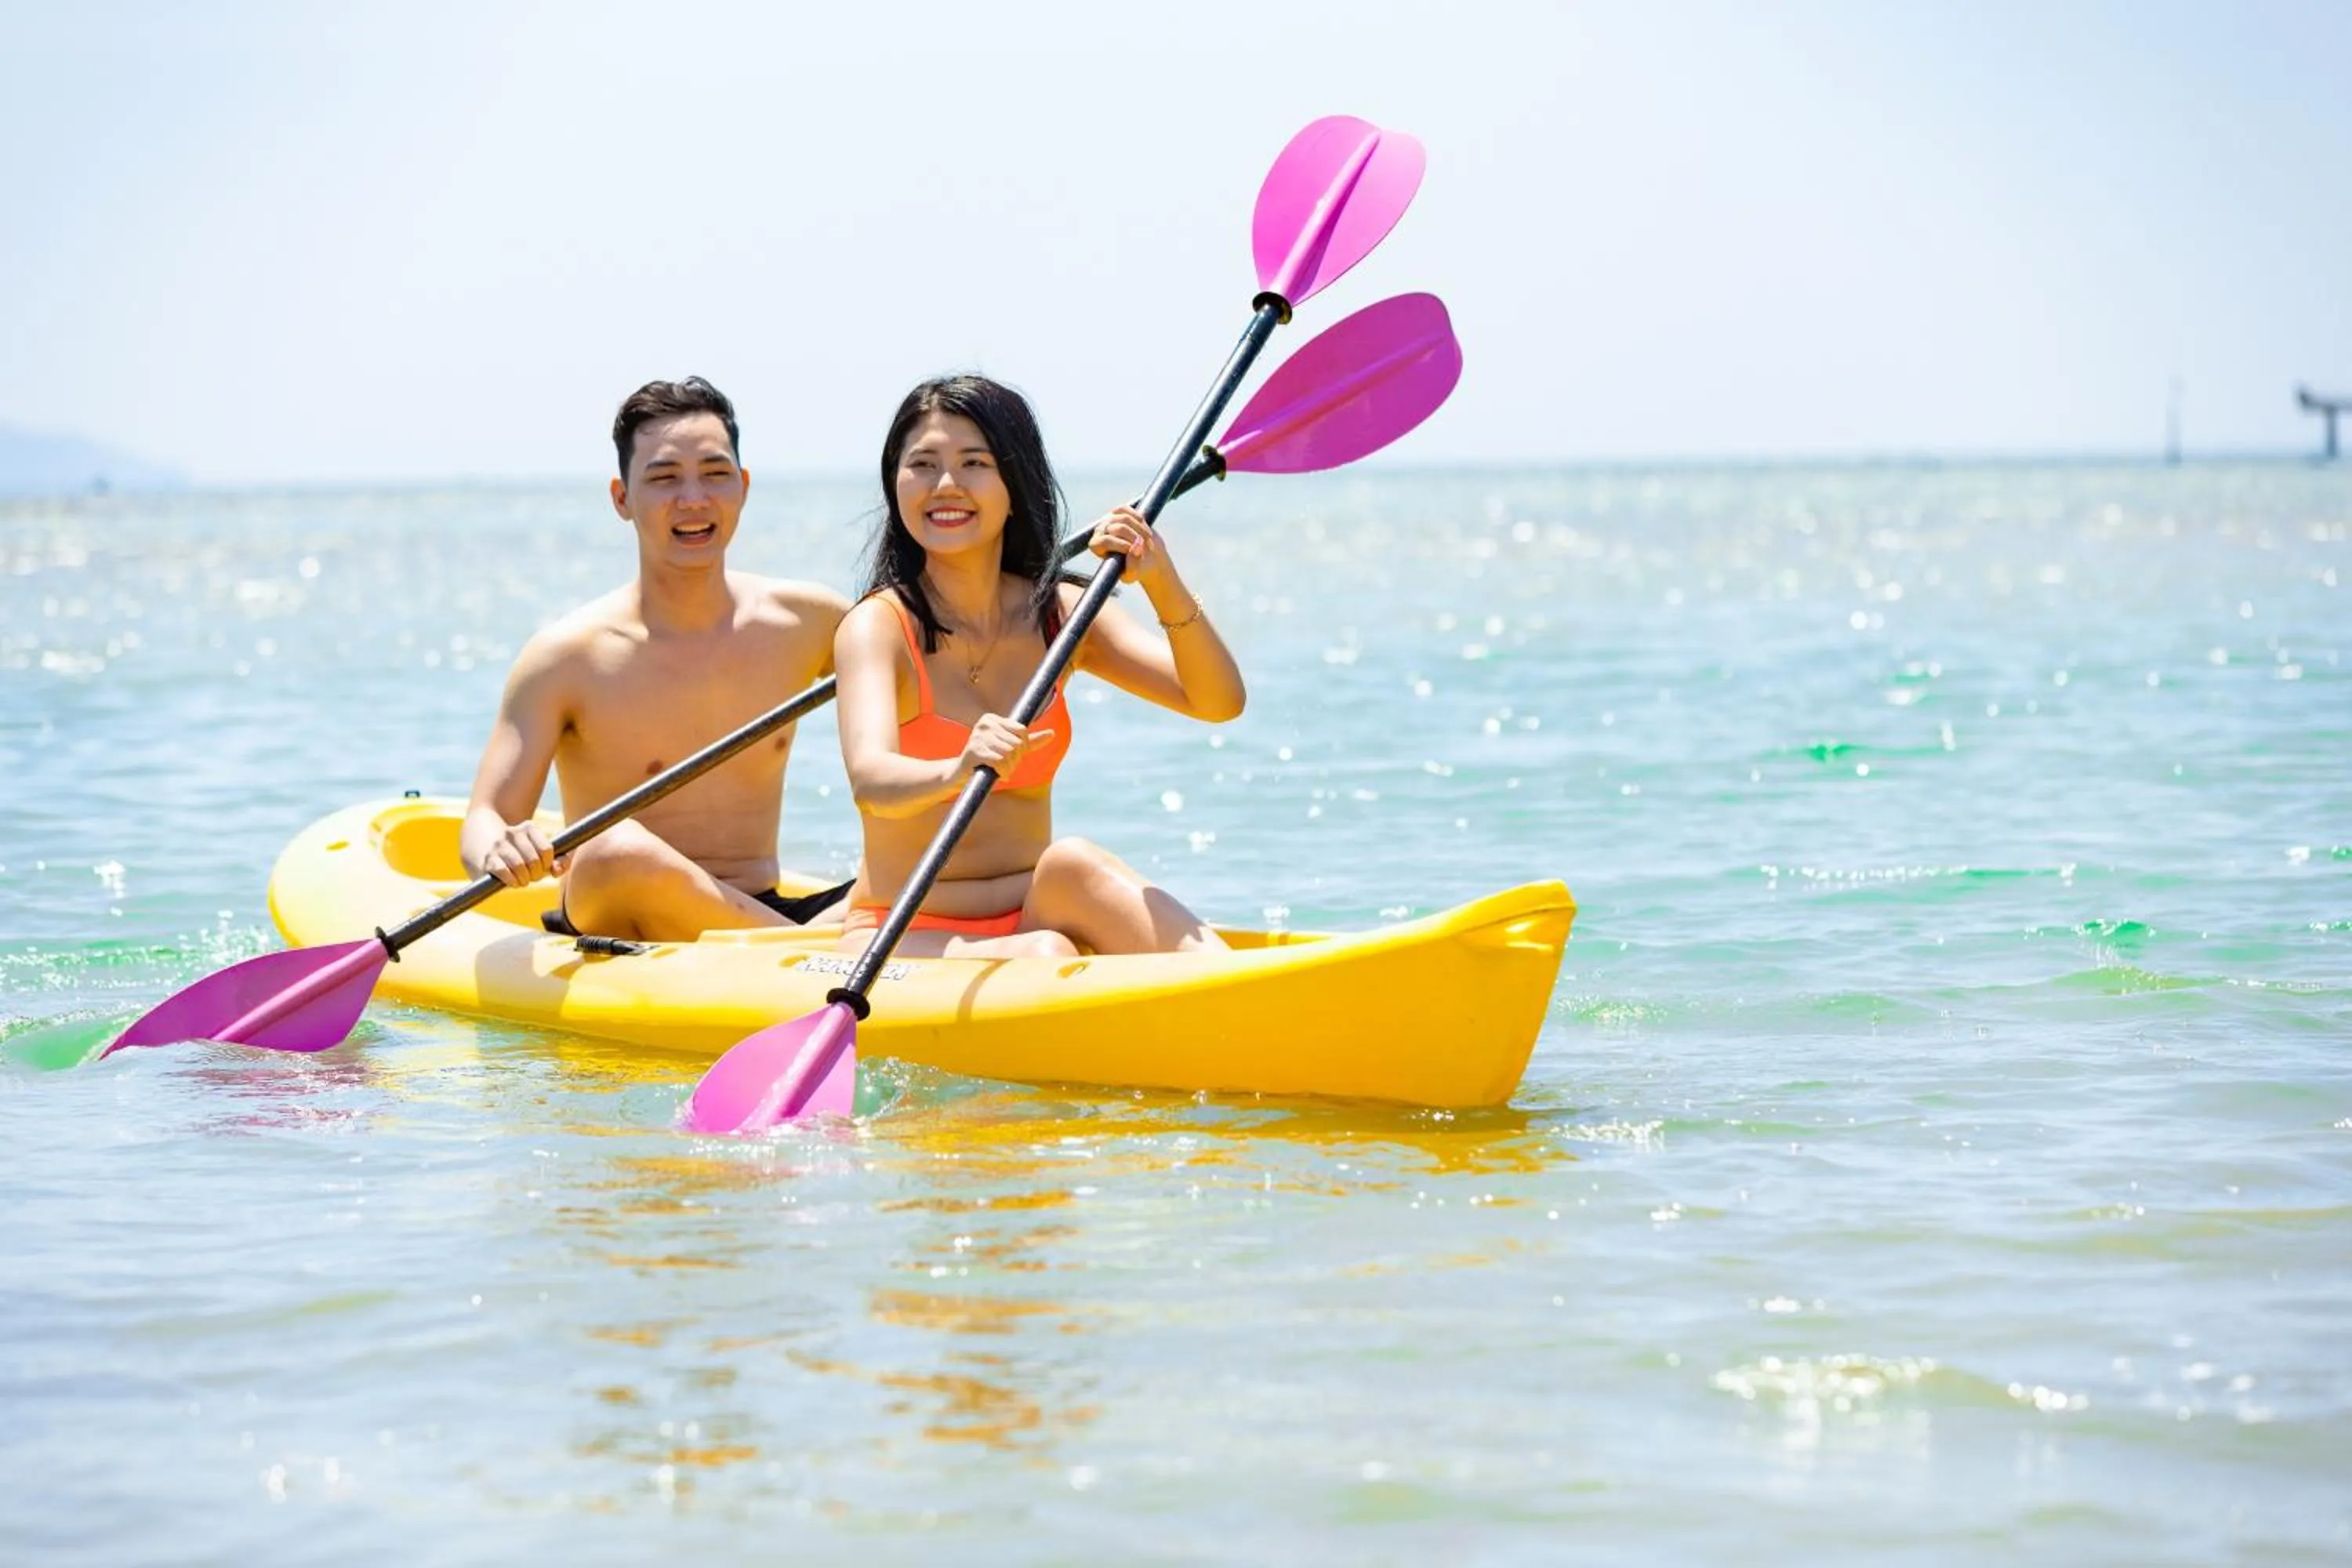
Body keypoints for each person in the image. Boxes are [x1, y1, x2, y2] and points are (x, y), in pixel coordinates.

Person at [832, 374, 1245, 960]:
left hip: (1032, 907)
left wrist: (1161, 580)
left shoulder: (1061, 617)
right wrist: (958, 769)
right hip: (902, 931)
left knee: (1072, 863)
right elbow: (871, 781)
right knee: (1048, 952)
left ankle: (1235, 991)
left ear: (1014, 480)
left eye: (974, 463)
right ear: (895, 482)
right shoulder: (878, 626)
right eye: (921, 464)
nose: (945, 485)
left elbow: (1217, 701)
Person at [459, 377, 852, 941]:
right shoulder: (567, 657)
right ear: (622, 499)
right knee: (615, 851)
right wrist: (500, 846)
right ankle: (807, 951)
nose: (693, 499)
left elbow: (927, 689)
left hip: (763, 910)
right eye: (664, 478)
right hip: (621, 914)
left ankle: (790, 944)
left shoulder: (810, 622)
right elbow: (483, 819)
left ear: (742, 486)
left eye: (715, 474)